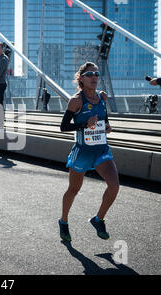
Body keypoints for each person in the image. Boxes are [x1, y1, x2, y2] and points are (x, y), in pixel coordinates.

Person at [58, 62, 119, 242]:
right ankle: (63, 221)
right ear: (81, 79)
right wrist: (85, 124)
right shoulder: (76, 100)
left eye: (97, 74)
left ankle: (98, 219)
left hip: (101, 149)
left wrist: (106, 126)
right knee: (74, 190)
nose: (94, 77)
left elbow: (103, 118)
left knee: (114, 185)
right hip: (83, 151)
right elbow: (63, 127)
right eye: (90, 74)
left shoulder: (102, 97)